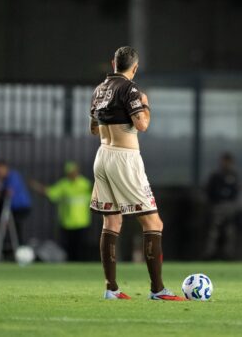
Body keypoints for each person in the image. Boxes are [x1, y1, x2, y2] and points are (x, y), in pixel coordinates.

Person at [89, 46, 183, 300]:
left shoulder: (100, 89)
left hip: (102, 156)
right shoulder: (130, 89)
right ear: (135, 67)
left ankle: (111, 289)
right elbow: (142, 124)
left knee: (112, 221)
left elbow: (94, 128)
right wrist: (146, 105)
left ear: (113, 63)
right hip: (124, 159)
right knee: (153, 223)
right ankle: (158, 290)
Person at [43, 161, 93, 261]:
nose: (73, 174)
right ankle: (70, 264)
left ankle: (82, 264)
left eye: (74, 171)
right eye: (70, 172)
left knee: (81, 246)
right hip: (67, 222)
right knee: (69, 246)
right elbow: (51, 193)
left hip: (82, 222)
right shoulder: (63, 185)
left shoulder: (85, 184)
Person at [203, 152, 240, 261]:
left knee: (230, 232)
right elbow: (209, 190)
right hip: (217, 206)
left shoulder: (234, 175)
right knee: (214, 232)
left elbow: (236, 191)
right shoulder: (216, 176)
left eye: (228, 162)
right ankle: (210, 254)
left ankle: (229, 255)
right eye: (224, 161)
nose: (226, 164)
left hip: (230, 206)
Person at [0, 161, 32, 244]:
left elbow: (9, 192)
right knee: (12, 227)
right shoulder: (2, 179)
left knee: (16, 227)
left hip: (21, 207)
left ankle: (19, 246)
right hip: (11, 208)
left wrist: (0, 191)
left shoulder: (13, 176)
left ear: (5, 168)